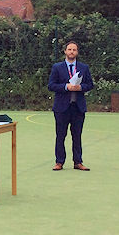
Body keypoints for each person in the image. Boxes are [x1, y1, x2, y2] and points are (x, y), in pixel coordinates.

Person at [48, 41, 94, 171]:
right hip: (61, 108)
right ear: (65, 51)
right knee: (60, 135)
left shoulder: (84, 68)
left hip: (78, 107)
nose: (71, 52)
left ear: (77, 52)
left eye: (74, 49)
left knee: (77, 135)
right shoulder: (57, 67)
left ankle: (78, 162)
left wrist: (80, 87)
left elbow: (90, 84)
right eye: (69, 49)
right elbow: (51, 85)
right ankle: (59, 162)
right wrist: (65, 87)